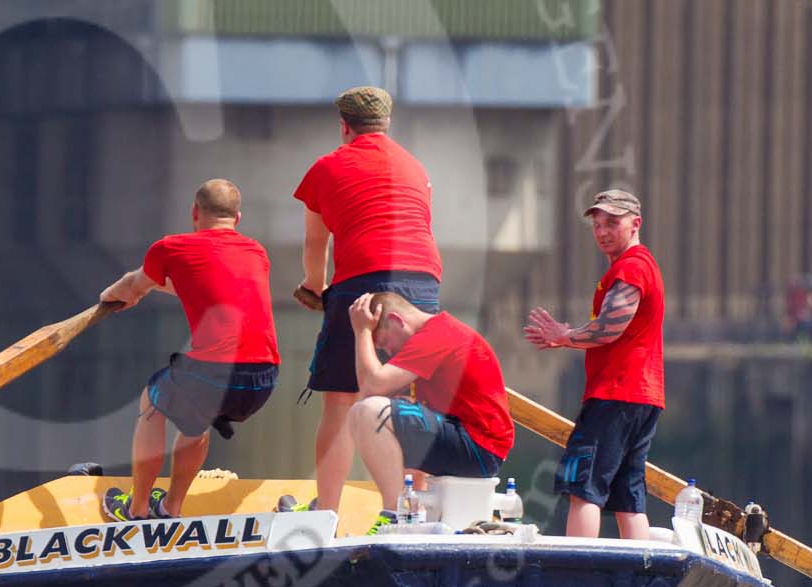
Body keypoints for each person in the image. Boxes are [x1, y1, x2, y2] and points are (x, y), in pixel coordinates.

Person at [292, 86, 443, 512]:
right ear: (387, 123)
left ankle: (327, 513)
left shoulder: (327, 167)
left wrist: (314, 286)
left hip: (363, 277)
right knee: (411, 399)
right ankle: (412, 511)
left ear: (344, 126)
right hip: (423, 284)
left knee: (340, 400)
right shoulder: (415, 166)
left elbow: (314, 242)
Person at [97, 179, 279, 522]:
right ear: (237, 218)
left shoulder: (171, 248)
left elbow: (132, 286)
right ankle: (169, 508)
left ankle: (136, 509)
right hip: (263, 379)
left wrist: (111, 296)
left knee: (153, 400)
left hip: (216, 375)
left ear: (195, 212)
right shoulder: (256, 251)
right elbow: (209, 290)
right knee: (195, 418)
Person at [524, 188, 665, 540]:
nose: (602, 231)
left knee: (582, 487)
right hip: (642, 398)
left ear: (636, 224)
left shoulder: (632, 268)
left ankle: (579, 576)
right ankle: (638, 574)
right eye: (597, 224)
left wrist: (563, 336)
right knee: (628, 497)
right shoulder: (637, 266)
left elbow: (608, 329)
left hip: (616, 394)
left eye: (612, 223)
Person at [314, 291, 511, 527]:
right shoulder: (433, 335)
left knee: (367, 412)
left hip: (478, 446)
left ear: (397, 321)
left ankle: (395, 517)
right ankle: (407, 513)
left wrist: (362, 331)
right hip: (472, 441)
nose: (389, 354)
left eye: (385, 344)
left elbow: (371, 387)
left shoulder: (438, 333)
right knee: (380, 416)